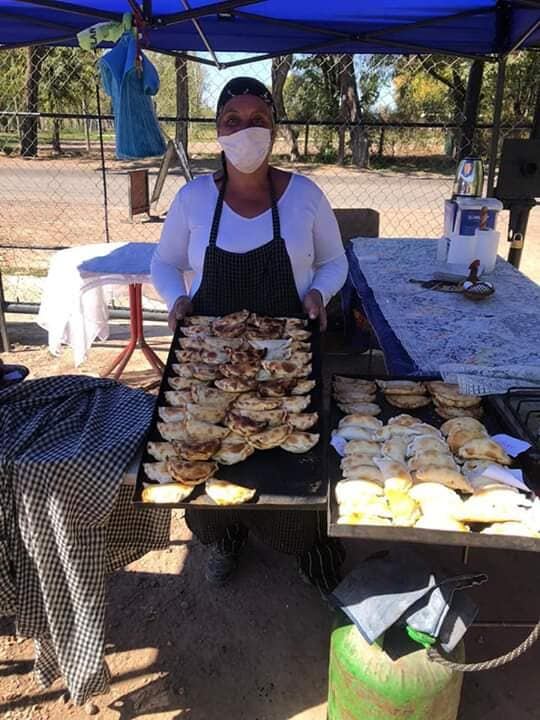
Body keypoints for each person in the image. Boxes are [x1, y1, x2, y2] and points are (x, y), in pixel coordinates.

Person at [151, 77, 348, 593]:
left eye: (257, 120)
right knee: (205, 458)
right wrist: (177, 301)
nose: (245, 131)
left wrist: (318, 296)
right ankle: (223, 537)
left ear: (274, 129)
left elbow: (334, 261)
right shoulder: (194, 199)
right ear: (217, 132)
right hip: (208, 363)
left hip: (287, 362)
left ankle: (313, 555)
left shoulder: (305, 195)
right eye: (232, 121)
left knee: (294, 465)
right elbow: (165, 263)